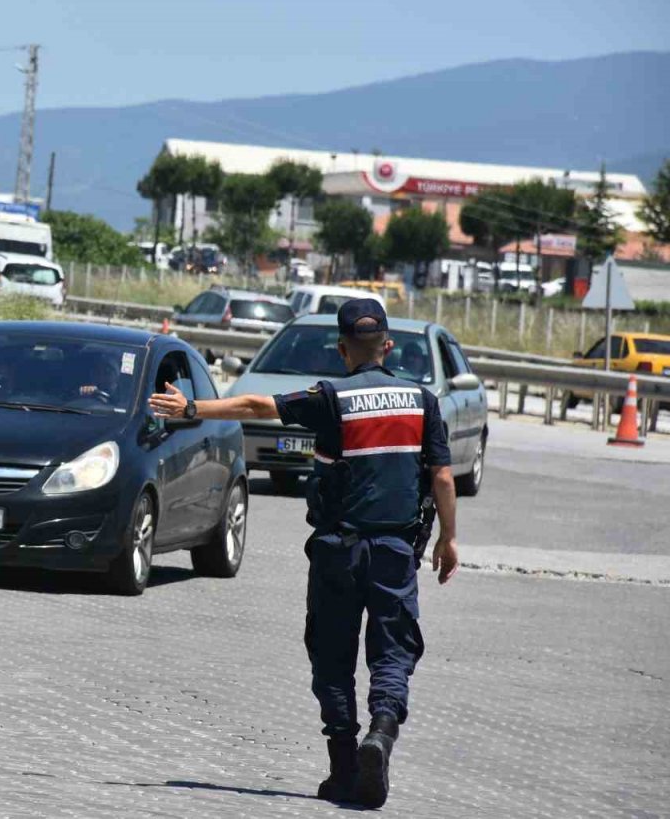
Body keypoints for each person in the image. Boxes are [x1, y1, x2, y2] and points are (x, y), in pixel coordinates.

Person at [149, 299, 459, 808]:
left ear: (341, 349)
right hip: (395, 551)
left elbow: (256, 407)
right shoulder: (422, 401)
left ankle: (344, 770)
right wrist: (448, 538)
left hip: (338, 551)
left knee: (332, 657)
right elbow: (443, 476)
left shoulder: (331, 397)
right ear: (387, 346)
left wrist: (190, 409)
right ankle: (381, 733)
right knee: (392, 654)